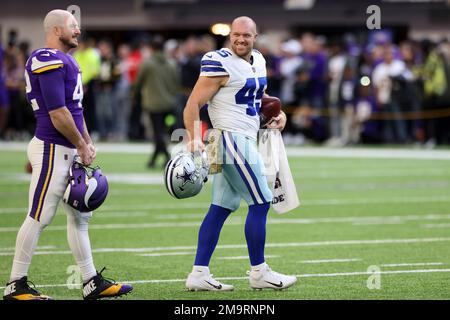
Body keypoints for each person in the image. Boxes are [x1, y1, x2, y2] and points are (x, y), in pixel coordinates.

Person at [2, 9, 132, 300]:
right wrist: (80, 144)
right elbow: (57, 112)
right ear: (56, 30)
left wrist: (86, 141)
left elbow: (74, 110)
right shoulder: (45, 57)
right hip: (52, 147)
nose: (79, 31)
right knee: (39, 216)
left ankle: (90, 282)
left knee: (79, 218)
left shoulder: (68, 60)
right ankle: (15, 284)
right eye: (73, 26)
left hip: (65, 148)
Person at [183, 16, 297, 291]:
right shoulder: (219, 61)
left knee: (222, 206)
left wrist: (277, 114)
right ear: (230, 35)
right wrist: (193, 137)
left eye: (246, 35)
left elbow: (259, 95)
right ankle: (259, 272)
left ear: (255, 37)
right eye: (236, 34)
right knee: (260, 202)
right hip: (228, 139)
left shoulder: (258, 59)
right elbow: (192, 104)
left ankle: (199, 273)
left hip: (241, 137)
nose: (240, 39)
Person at [134, 35, 180, 168]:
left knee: (157, 132)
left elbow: (138, 83)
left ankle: (167, 157)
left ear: (152, 48)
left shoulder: (147, 63)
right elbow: (176, 83)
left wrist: (136, 96)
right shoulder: (171, 63)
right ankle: (153, 160)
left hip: (153, 104)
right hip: (169, 103)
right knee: (160, 132)